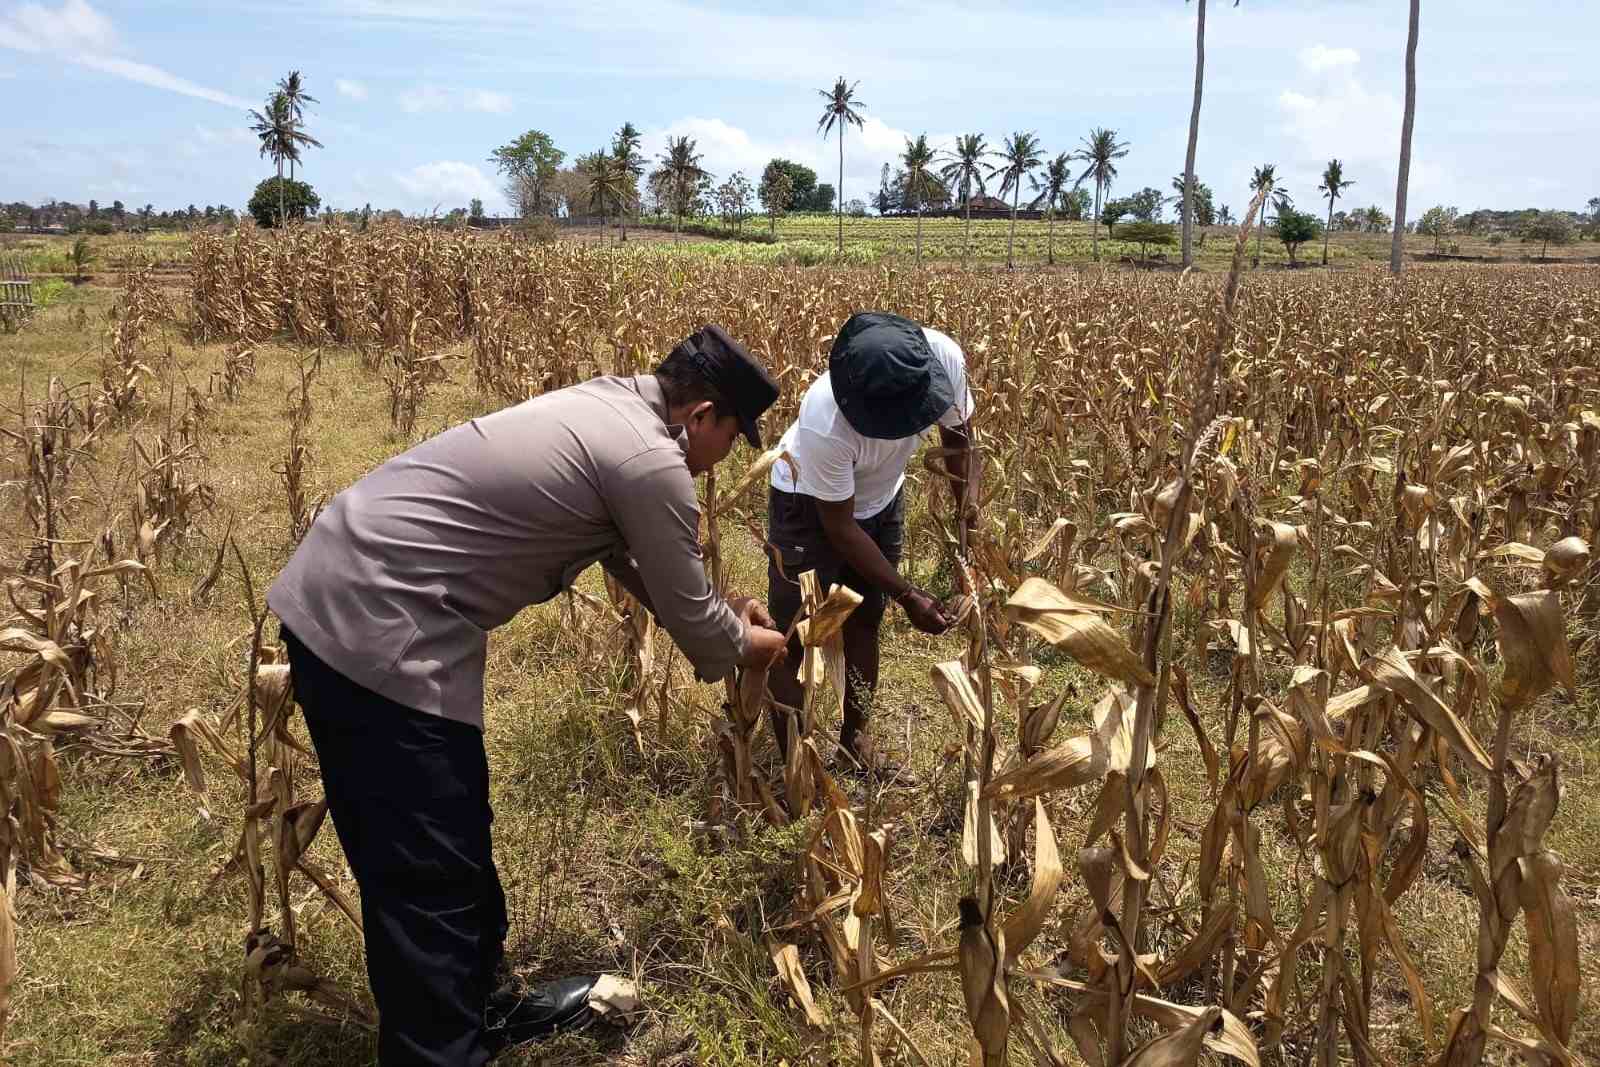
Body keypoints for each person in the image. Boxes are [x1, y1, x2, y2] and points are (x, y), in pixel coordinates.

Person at [267, 325, 788, 1066]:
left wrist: (711, 614)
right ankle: (441, 1050)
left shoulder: (613, 405)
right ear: (702, 414)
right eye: (733, 437)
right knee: (427, 873)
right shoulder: (649, 461)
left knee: (454, 822)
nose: (726, 457)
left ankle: (487, 1004)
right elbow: (708, 640)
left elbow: (629, 558)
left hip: (357, 588)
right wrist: (746, 642)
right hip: (380, 625)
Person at [765, 311, 975, 773]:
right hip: (807, 501)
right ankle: (793, 762)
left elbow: (958, 442)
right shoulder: (825, 419)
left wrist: (968, 521)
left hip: (882, 498)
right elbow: (838, 526)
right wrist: (909, 593)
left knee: (864, 617)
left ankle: (853, 738)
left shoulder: (943, 359)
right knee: (795, 633)